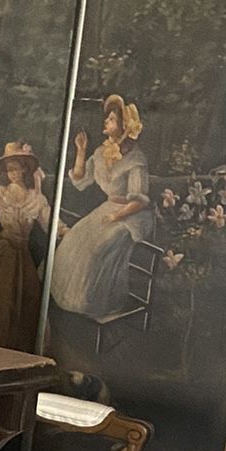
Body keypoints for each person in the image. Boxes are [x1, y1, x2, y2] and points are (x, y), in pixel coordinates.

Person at [50, 95, 153, 323]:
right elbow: (80, 179)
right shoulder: (100, 153)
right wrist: (80, 150)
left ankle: (99, 302)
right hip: (107, 209)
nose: (106, 121)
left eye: (112, 119)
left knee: (97, 249)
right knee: (73, 241)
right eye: (107, 117)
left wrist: (116, 215)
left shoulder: (136, 159)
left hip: (131, 215)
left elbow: (140, 200)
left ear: (124, 127)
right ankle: (68, 302)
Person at [0, 141, 52, 350]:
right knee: (0, 302)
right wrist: (0, 234)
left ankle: (19, 353)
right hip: (3, 254)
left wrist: (69, 233)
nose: (13, 173)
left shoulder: (37, 199)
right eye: (9, 170)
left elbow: (52, 225)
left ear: (25, 168)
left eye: (17, 168)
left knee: (27, 305)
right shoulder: (0, 193)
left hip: (23, 258)